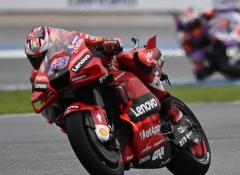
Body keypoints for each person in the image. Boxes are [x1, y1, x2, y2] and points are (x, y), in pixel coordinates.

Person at [25, 26, 183, 125]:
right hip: (71, 97)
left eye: (44, 54)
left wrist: (109, 43)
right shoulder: (37, 76)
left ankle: (168, 104)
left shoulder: (72, 38)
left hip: (102, 70)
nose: (42, 60)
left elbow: (96, 40)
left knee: (132, 59)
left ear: (56, 43)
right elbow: (48, 115)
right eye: (36, 59)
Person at [174, 6, 240, 80]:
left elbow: (220, 10)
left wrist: (235, 9)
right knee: (199, 72)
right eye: (192, 28)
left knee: (223, 26)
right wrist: (204, 53)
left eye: (197, 25)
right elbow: (192, 55)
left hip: (214, 38)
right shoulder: (185, 39)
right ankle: (220, 67)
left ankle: (239, 50)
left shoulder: (205, 15)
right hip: (203, 51)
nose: (197, 31)